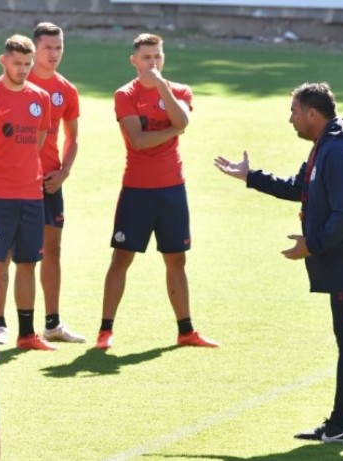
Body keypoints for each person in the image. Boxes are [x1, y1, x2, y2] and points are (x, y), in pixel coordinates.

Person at [215, 82, 343, 443]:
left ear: (312, 113)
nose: (290, 119)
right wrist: (250, 176)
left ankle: (341, 426)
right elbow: (301, 187)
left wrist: (313, 244)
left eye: (293, 111)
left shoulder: (337, 152)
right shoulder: (329, 144)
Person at [96, 33, 217, 350]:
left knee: (176, 260)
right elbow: (138, 140)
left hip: (172, 188)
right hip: (137, 189)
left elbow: (183, 119)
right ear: (134, 61)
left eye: (157, 57)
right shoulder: (125, 94)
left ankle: (186, 330)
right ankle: (105, 331)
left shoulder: (178, 90)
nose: (152, 63)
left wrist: (162, 87)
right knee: (122, 257)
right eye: (146, 57)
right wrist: (174, 129)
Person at [0, 34, 53, 350]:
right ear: (4, 61)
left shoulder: (40, 98)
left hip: (32, 194)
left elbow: (38, 142)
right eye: (17, 64)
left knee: (28, 262)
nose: (23, 69)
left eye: (28, 64)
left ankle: (27, 333)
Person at [27, 23, 84, 344]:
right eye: (48, 47)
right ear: (34, 48)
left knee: (52, 250)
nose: (54, 54)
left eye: (59, 47)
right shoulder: (20, 81)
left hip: (50, 182)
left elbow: (74, 138)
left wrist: (64, 172)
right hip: (18, 183)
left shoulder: (67, 90)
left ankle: (52, 323)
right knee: (7, 254)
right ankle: (2, 324)